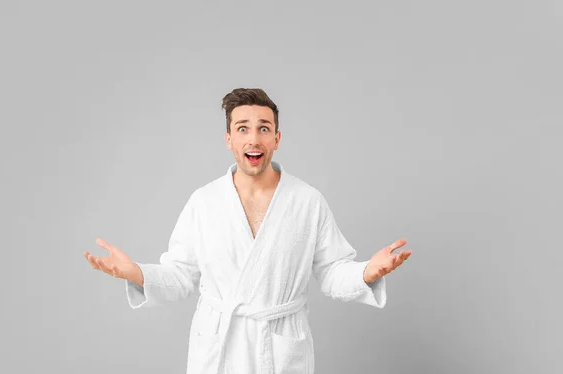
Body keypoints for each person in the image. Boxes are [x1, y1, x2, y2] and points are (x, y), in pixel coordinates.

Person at [84, 88, 412, 374]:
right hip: (220, 347)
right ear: (229, 139)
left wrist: (368, 272)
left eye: (263, 128)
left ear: (276, 139)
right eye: (243, 129)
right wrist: (137, 273)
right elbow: (179, 276)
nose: (253, 138)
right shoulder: (204, 202)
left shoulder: (307, 201)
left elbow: (332, 272)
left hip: (280, 347)